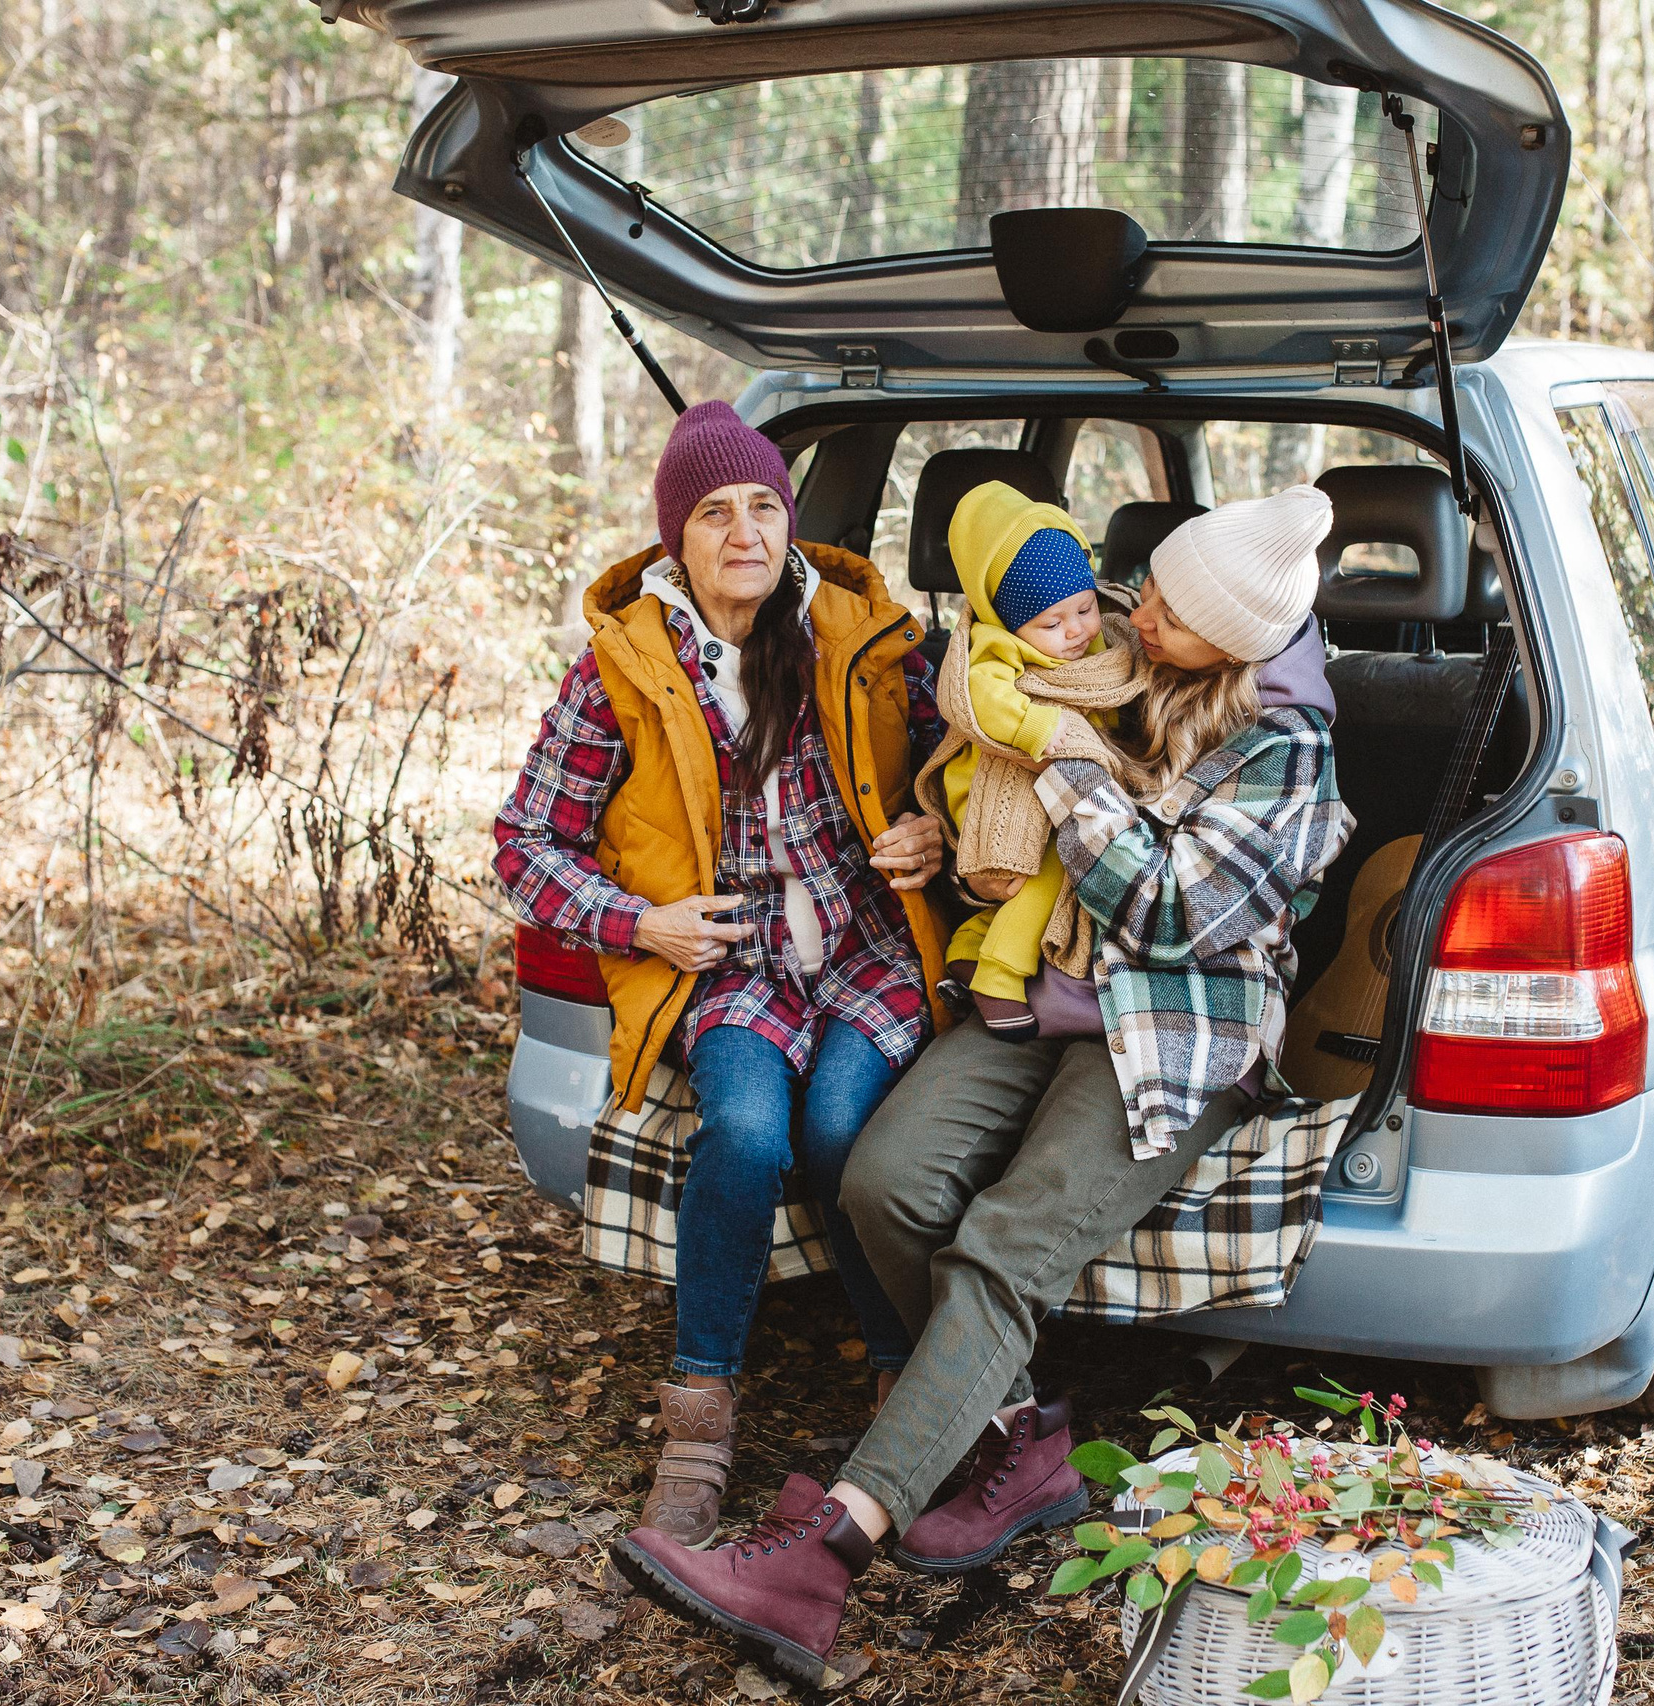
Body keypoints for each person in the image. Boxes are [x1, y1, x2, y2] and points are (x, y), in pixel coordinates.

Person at [612, 485, 1355, 1683]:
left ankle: (825, 1553)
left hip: (1171, 1026)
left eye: (1168, 608)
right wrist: (943, 826)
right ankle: (1025, 1443)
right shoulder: (1109, 651)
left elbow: (1167, 914)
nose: (1135, 609)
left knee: (1005, 1243)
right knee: (885, 1178)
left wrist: (1064, 761)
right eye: (1145, 589)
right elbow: (984, 780)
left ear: (1229, 640)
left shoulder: (1288, 751)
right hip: (1033, 993)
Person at [491, 400, 949, 1550]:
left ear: (787, 518)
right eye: (713, 512)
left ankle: (903, 1388)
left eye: (761, 505)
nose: (745, 532)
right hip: (735, 958)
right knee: (743, 1132)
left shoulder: (863, 633)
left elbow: (960, 763)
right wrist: (642, 921)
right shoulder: (623, 670)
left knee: (843, 1132)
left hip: (866, 946)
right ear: (674, 538)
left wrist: (933, 827)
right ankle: (696, 1430)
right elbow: (525, 844)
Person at [922, 481, 1144, 1040]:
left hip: (1058, 778)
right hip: (997, 784)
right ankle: (1000, 974)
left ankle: (970, 947)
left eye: (1085, 608)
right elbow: (981, 697)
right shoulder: (993, 646)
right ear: (1009, 622)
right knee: (1057, 864)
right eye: (1050, 623)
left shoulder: (1100, 640)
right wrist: (1038, 725)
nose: (1076, 630)